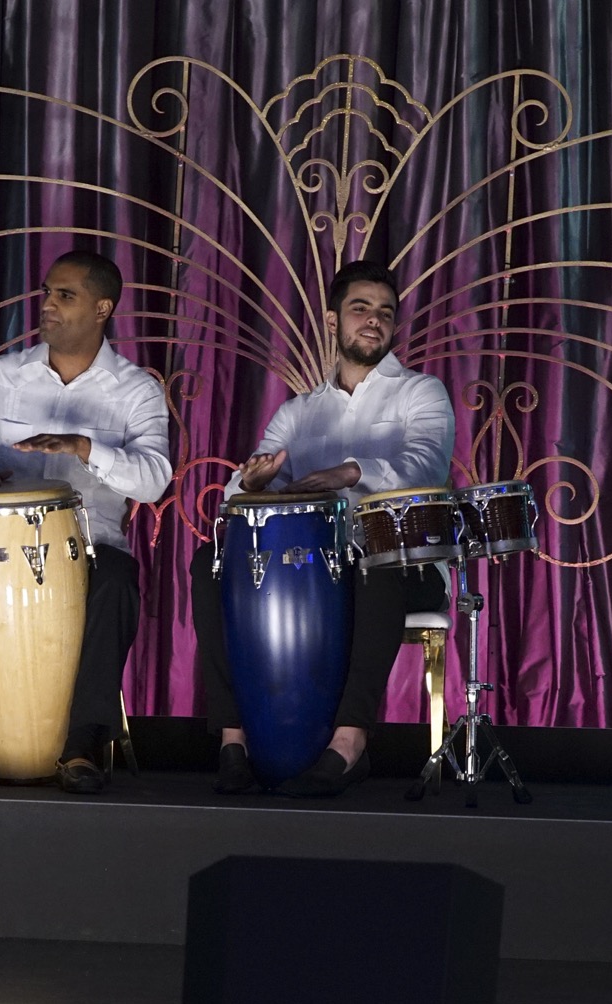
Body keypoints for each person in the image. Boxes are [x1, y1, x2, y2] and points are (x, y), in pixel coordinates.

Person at [190, 260, 455, 798]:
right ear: (333, 322)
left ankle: (349, 744)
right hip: (311, 569)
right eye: (361, 308)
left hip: (405, 563)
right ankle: (233, 740)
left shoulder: (422, 393)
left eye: (385, 312)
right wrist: (252, 484)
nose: (374, 320)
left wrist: (351, 472)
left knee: (376, 562)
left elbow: (425, 467)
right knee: (209, 564)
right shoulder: (298, 413)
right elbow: (238, 495)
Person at [0, 250, 171, 795]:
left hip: (89, 549)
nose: (47, 304)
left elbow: (153, 479)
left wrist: (85, 447)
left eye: (64, 295)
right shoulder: (2, 377)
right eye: (47, 292)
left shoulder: (136, 390)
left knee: (118, 580)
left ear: (102, 309)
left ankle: (83, 745)